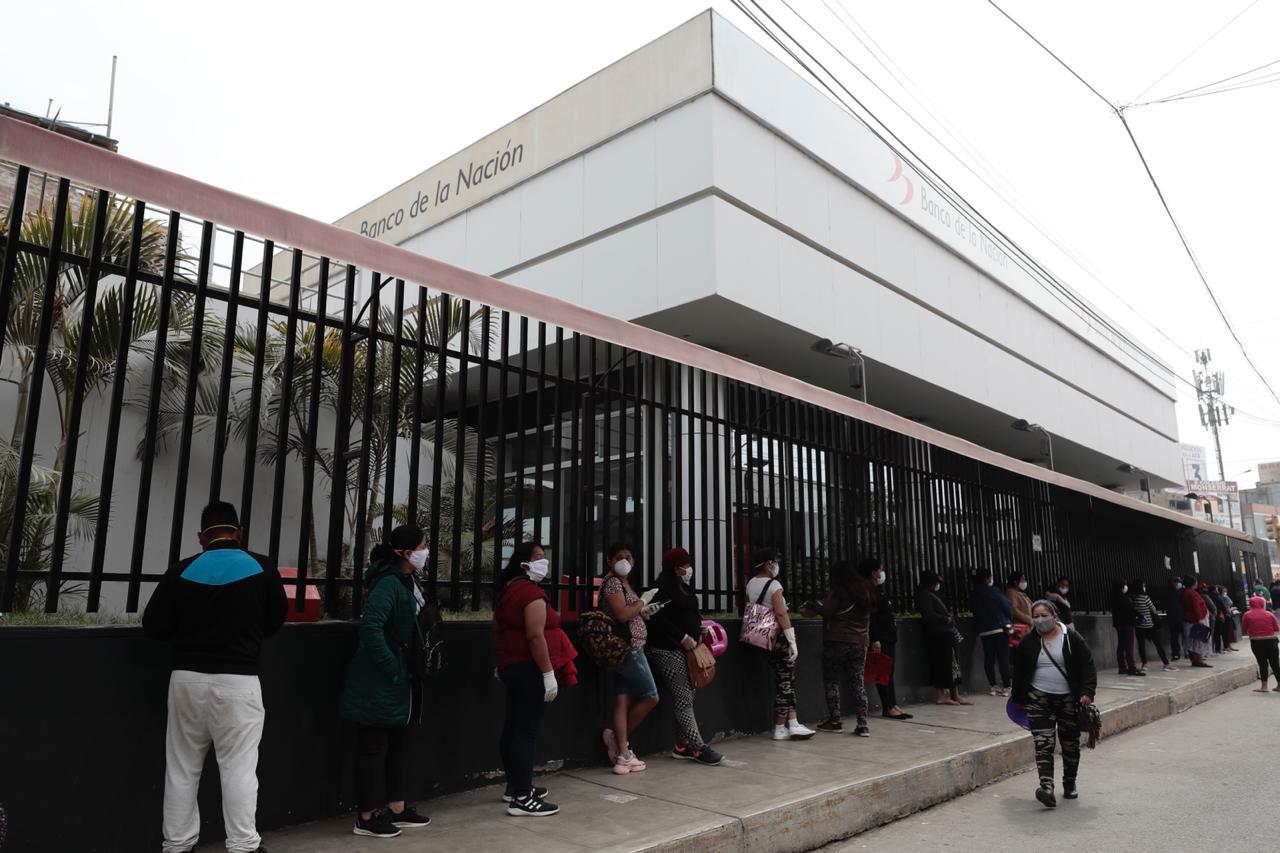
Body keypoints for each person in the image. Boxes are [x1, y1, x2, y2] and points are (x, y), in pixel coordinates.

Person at [142, 500, 286, 853]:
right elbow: (275, 622)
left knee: (182, 767)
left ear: (200, 537)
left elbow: (155, 626)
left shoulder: (181, 570)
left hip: (187, 679)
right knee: (238, 768)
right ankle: (243, 845)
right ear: (239, 532)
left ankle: (176, 845)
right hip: (239, 682)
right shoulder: (262, 567)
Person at [338, 525, 434, 837]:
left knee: (400, 745)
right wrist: (392, 665)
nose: (426, 551)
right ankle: (365, 817)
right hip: (379, 682)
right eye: (422, 546)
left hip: (401, 682)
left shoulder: (409, 581)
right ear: (406, 553)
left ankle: (396, 806)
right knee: (372, 748)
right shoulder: (388, 584)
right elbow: (371, 629)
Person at [493, 541, 577, 816]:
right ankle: (522, 796)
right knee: (526, 731)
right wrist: (548, 673)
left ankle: (515, 785)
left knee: (514, 727)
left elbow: (501, 629)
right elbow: (534, 635)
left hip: (514, 667)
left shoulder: (509, 589)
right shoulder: (530, 593)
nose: (545, 562)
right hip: (530, 668)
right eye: (539, 558)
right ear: (524, 563)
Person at [1012, 599, 1097, 808]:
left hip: (1068, 698)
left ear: (1055, 616)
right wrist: (1018, 698)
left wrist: (1087, 691)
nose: (1040, 620)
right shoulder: (1029, 641)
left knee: (1070, 743)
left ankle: (1069, 783)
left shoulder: (1071, 638)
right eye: (1036, 616)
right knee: (1043, 743)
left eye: (1044, 615)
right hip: (1038, 698)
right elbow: (1019, 671)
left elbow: (1088, 665)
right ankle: (1046, 787)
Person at [645, 547, 723, 765]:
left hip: (688, 650)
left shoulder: (685, 589)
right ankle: (698, 747)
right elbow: (658, 619)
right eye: (684, 565)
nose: (688, 569)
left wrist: (699, 630)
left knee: (688, 695)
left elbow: (689, 614)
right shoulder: (661, 589)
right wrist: (682, 637)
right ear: (675, 567)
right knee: (684, 699)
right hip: (668, 649)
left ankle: (681, 745)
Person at [601, 542, 662, 773]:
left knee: (622, 699)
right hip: (629, 650)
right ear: (609, 561)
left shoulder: (623, 582)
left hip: (626, 648)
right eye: (619, 557)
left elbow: (632, 613)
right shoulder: (614, 583)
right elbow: (621, 614)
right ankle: (619, 743)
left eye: (628, 556)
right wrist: (643, 601)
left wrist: (644, 611)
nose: (624, 561)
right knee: (651, 696)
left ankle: (623, 754)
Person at [746, 547, 816, 740]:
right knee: (785, 682)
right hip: (779, 638)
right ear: (769, 564)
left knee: (787, 679)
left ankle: (793, 723)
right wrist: (792, 640)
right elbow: (781, 613)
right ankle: (779, 727)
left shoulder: (751, 584)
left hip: (762, 639)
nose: (777, 565)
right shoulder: (774, 585)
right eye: (775, 561)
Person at [801, 560, 874, 736]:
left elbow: (826, 610)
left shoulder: (840, 592)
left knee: (832, 680)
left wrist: (811, 604)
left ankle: (835, 721)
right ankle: (862, 724)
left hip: (837, 640)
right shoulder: (866, 590)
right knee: (858, 681)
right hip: (860, 642)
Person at [861, 558, 912, 720]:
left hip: (889, 636)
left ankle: (893, 703)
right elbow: (872, 617)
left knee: (889, 671)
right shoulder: (868, 591)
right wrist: (875, 638)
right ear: (873, 572)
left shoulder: (879, 589)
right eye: (880, 569)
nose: (882, 572)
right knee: (882, 672)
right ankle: (887, 706)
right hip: (880, 638)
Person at [917, 571, 972, 706]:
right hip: (937, 635)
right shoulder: (924, 596)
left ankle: (955, 694)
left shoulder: (932, 595)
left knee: (952, 664)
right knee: (941, 665)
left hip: (945, 634)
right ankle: (940, 695)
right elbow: (929, 615)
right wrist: (945, 619)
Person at [970, 568, 1013, 696]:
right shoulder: (993, 591)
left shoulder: (974, 594)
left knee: (989, 658)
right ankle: (1006, 686)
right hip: (998, 628)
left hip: (984, 630)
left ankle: (993, 686)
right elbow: (1007, 605)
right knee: (1003, 658)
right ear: (987, 578)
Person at [1130, 579, 1176, 672]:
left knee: (1141, 645)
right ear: (1140, 587)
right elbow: (1153, 609)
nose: (1144, 587)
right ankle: (1166, 664)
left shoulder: (1133, 598)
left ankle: (1144, 664)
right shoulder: (1146, 598)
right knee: (1158, 644)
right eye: (1143, 586)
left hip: (1139, 626)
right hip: (1149, 625)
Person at [1241, 595, 1280, 693]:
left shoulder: (1247, 615)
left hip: (1256, 642)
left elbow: (1244, 629)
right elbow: (1277, 628)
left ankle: (1264, 686)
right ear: (1262, 603)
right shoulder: (1269, 614)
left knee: (1262, 663)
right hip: (1271, 641)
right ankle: (1279, 685)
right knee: (1275, 663)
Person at [1110, 579, 1143, 677]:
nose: (1126, 587)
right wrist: (1140, 615)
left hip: (1119, 625)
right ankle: (1132, 668)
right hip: (1128, 624)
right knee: (1129, 646)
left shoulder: (1114, 597)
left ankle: (1122, 667)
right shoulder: (1124, 598)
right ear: (1121, 586)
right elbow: (1131, 609)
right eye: (1124, 585)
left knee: (1121, 645)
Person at [1182, 576, 1212, 667]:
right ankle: (1199, 660)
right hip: (1196, 619)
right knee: (1198, 640)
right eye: (1195, 582)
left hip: (1190, 618)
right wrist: (1200, 619)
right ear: (1192, 583)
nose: (1196, 584)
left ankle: (1195, 660)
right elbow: (1196, 606)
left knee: (1193, 640)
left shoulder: (1185, 592)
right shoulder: (1192, 593)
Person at [1164, 577, 1185, 661]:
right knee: (1185, 636)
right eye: (1177, 582)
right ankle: (1187, 653)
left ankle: (1175, 654)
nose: (1179, 584)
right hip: (1179, 617)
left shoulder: (1166, 592)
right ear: (1173, 582)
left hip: (1171, 617)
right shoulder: (1178, 592)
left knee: (1174, 637)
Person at [1199, 582, 1222, 655]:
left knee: (1208, 634)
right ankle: (1209, 651)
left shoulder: (1203, 596)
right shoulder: (1205, 596)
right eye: (1205, 588)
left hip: (1207, 616)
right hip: (1209, 617)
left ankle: (1208, 650)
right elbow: (1212, 606)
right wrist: (1214, 615)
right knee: (1210, 634)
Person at [1216, 586, 1240, 651]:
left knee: (1228, 631)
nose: (1225, 592)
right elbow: (1230, 602)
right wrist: (1226, 597)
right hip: (1225, 615)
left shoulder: (1222, 597)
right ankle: (1226, 646)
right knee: (1225, 631)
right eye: (1224, 591)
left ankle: (1228, 645)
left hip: (1227, 614)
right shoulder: (1221, 597)